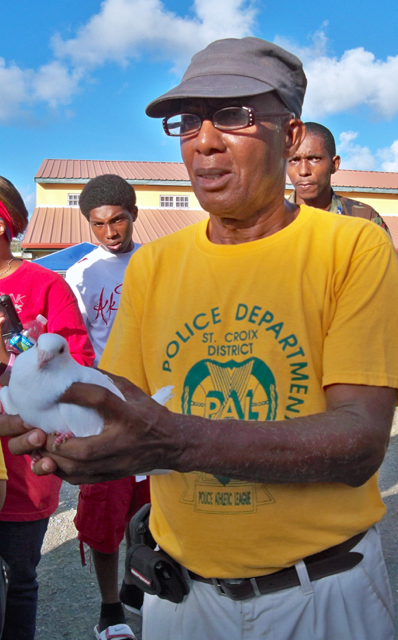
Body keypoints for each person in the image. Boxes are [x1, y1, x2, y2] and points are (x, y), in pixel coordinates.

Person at [5, 37, 398, 640]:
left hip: (321, 596)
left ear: (291, 137)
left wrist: (176, 443)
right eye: (188, 121)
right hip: (181, 600)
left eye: (235, 115)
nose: (204, 139)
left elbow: (360, 441)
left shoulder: (353, 246)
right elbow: (126, 400)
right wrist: (41, 396)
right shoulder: (156, 264)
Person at [0, 176, 95, 640]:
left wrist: (18, 349)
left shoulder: (46, 286)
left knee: (20, 579)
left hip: (23, 465)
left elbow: (77, 364)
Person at [65, 174, 150, 640]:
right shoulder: (81, 274)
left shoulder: (157, 263)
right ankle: (111, 607)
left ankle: (141, 588)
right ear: (89, 224)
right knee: (103, 519)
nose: (110, 232)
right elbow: (76, 344)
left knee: (153, 512)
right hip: (104, 409)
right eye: (98, 224)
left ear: (134, 214)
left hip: (154, 405)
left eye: (118, 220)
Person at [287, 121, 391, 232]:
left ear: (334, 164)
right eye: (294, 160)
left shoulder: (365, 219)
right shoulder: (271, 220)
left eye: (314, 159)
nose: (303, 171)